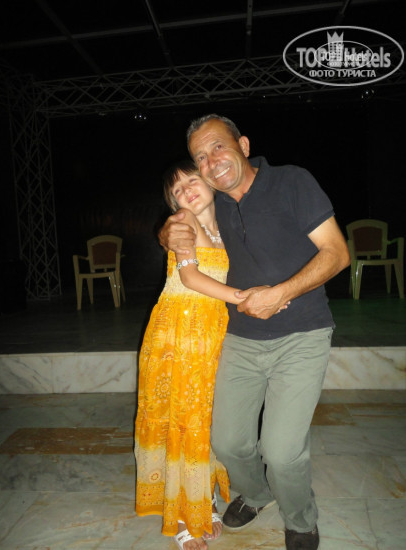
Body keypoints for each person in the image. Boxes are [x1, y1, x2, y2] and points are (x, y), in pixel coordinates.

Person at [158, 114, 351, 550]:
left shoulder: (291, 182)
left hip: (302, 333)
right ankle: (258, 494)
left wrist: (280, 292)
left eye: (218, 147)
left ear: (243, 146)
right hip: (242, 338)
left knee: (280, 451)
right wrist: (167, 229)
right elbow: (184, 218)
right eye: (200, 157)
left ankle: (300, 519)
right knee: (227, 442)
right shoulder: (217, 201)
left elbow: (338, 254)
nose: (211, 162)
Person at [135, 159, 247, 550]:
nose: (186, 191)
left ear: (211, 182)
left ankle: (204, 499)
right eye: (177, 190)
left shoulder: (227, 224)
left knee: (207, 419)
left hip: (211, 335)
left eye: (192, 181)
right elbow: (190, 277)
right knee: (183, 419)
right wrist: (245, 298)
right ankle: (184, 513)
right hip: (178, 336)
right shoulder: (184, 222)